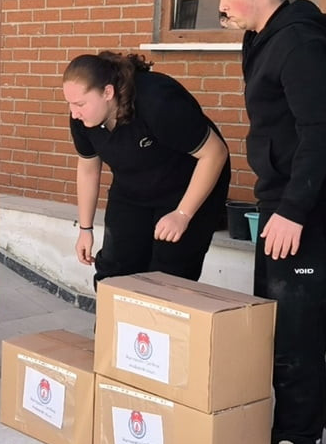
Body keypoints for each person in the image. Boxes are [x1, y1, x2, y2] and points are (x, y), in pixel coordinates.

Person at [205, 0, 326, 444]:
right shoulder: (264, 38)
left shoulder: (297, 42)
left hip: (311, 208)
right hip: (285, 200)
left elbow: (321, 129)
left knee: (295, 331)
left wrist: (293, 211)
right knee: (285, 327)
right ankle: (307, 432)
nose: (219, 4)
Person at [62, 52, 231, 285]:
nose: (74, 113)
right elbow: (88, 169)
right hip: (132, 187)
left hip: (187, 187)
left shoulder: (158, 101)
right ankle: (112, 321)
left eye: (80, 104)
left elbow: (215, 153)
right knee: (115, 269)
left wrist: (183, 214)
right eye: (70, 104)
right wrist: (85, 228)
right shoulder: (82, 119)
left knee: (168, 276)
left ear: (108, 92)